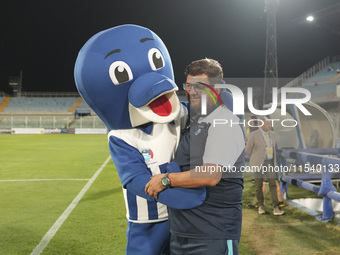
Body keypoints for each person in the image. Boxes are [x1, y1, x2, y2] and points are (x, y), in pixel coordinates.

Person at [145, 58, 245, 255]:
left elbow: (210, 175)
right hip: (183, 232)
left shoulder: (224, 120)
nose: (192, 91)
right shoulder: (197, 120)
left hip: (213, 233)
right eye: (189, 86)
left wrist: (166, 180)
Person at [245, 117, 285, 216]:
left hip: (270, 162)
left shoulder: (273, 134)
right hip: (258, 163)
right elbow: (247, 150)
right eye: (268, 124)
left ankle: (276, 208)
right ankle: (261, 206)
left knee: (273, 184)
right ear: (262, 125)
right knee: (258, 186)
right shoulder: (253, 135)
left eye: (270, 124)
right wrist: (255, 158)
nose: (270, 126)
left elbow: (274, 148)